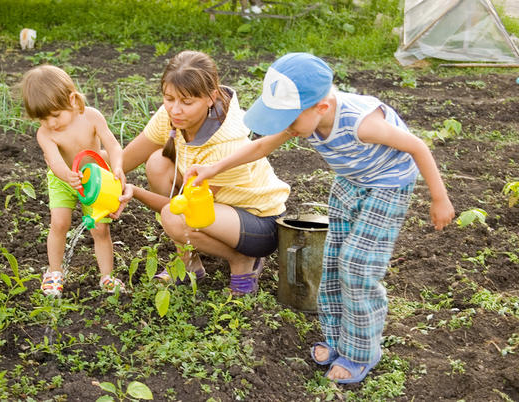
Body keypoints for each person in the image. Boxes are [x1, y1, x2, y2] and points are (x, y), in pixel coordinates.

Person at [185, 53, 455, 383]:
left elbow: (417, 147)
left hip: (387, 185)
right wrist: (213, 169)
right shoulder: (304, 119)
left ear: (321, 109)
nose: (285, 127)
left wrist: (439, 199)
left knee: (357, 266)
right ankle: (337, 339)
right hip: (349, 183)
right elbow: (261, 146)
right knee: (333, 260)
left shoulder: (363, 124)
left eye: (288, 119)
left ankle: (361, 352)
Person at [120, 50, 290, 295]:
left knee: (173, 217)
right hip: (218, 210)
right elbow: (127, 159)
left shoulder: (226, 144)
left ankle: (243, 262)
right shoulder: (171, 116)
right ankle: (188, 264)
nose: (175, 109)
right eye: (169, 98)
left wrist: (134, 192)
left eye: (186, 102)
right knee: (157, 162)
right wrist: (97, 175)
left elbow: (184, 209)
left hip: (259, 224)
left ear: (211, 98)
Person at [21, 65, 127, 296]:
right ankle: (54, 272)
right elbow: (55, 161)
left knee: (100, 229)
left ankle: (107, 276)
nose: (50, 123)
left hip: (95, 179)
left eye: (55, 115)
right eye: (42, 118)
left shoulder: (91, 117)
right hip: (63, 180)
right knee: (59, 223)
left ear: (71, 100)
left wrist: (117, 167)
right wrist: (66, 176)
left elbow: (112, 144)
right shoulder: (46, 133)